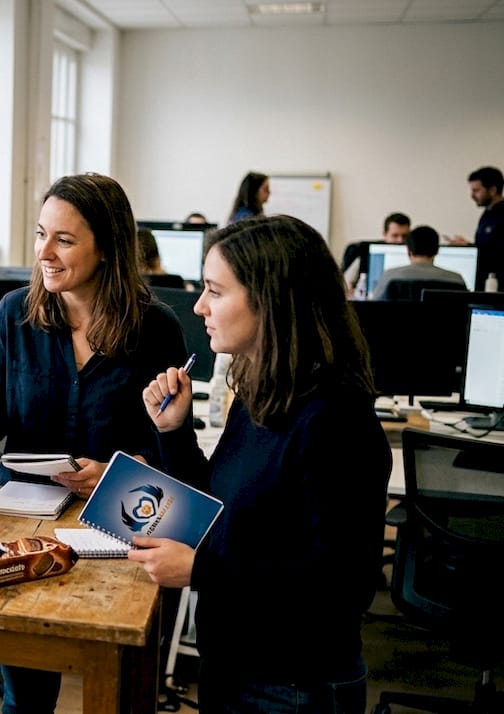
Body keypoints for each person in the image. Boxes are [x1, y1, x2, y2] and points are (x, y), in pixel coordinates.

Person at [0, 173, 192, 714]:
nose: (43, 252)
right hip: (25, 517)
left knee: (123, 679)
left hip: (120, 517)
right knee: (26, 689)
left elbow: (169, 445)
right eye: (41, 233)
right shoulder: (14, 313)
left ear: (108, 248)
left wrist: (118, 470)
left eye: (64, 240)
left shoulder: (156, 327)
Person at [136, 215, 389, 714]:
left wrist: (202, 569)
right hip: (236, 663)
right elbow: (214, 508)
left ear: (271, 300)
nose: (200, 305)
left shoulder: (334, 419)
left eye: (214, 291)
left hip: (294, 683)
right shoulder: (262, 395)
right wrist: (174, 431)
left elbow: (344, 584)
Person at [453, 166, 504, 291]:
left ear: (492, 190)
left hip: (499, 287)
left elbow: (502, 256)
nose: (472, 196)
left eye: (476, 190)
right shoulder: (487, 215)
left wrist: (470, 247)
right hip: (482, 283)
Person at [369, 225, 467, 300]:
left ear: (408, 250)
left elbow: (373, 309)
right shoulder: (457, 280)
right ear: (437, 250)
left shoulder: (390, 276)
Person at [341, 212, 410, 293]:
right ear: (385, 235)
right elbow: (346, 282)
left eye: (405, 236)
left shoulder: (414, 255)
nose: (400, 240)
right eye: (395, 236)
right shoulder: (365, 252)